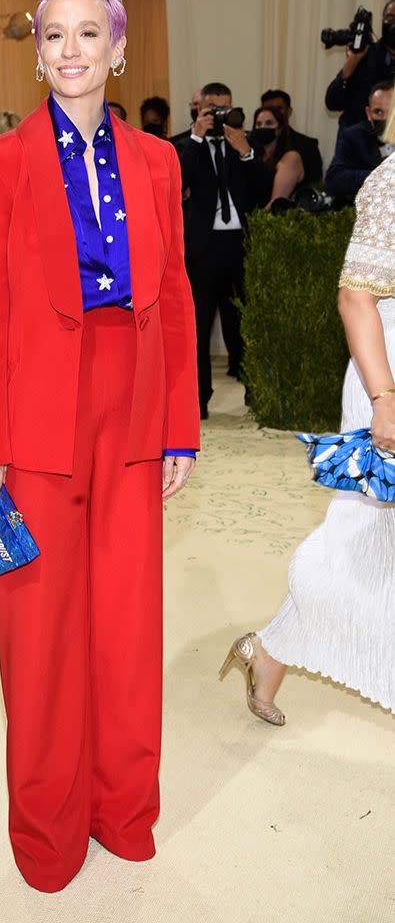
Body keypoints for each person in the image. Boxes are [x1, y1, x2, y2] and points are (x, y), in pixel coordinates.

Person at [0, 0, 199, 893]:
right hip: (34, 412)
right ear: (35, 56)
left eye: (86, 33)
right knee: (41, 630)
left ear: (118, 47)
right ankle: (48, 835)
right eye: (51, 35)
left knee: (129, 623)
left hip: (132, 402)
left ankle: (121, 810)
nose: (68, 50)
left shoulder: (160, 161)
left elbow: (175, 295)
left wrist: (179, 424)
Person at [221, 104, 395, 723]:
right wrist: (384, 399)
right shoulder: (390, 181)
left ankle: (266, 651)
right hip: (387, 374)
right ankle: (271, 648)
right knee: (359, 531)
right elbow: (355, 296)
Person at [179, 83, 268, 416]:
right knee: (198, 327)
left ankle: (257, 396)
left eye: (225, 107)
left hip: (241, 244)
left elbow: (262, 190)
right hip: (202, 247)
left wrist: (246, 152)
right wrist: (198, 137)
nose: (219, 114)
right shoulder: (184, 144)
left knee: (249, 323)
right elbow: (177, 183)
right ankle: (198, 401)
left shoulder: (244, 143)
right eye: (212, 107)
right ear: (199, 107)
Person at [325, 0, 395, 134]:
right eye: (389, 18)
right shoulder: (365, 54)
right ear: (382, 22)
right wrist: (351, 63)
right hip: (359, 144)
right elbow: (332, 102)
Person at [325, 80, 394, 201]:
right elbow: (334, 179)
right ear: (368, 113)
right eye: (378, 112)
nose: (385, 119)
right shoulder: (354, 136)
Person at [260, 88, 323, 183]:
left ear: (289, 111)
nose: (273, 114)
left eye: (278, 109)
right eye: (268, 109)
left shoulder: (307, 145)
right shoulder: (253, 144)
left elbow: (315, 184)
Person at [250, 105, 304, 208]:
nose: (263, 127)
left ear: (279, 129)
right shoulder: (253, 156)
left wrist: (254, 222)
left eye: (269, 123)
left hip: (273, 220)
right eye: (258, 124)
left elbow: (276, 203)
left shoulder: (291, 158)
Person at [168, 88, 202, 157]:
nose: (198, 108)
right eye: (195, 104)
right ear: (190, 105)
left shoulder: (220, 140)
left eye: (202, 104)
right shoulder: (174, 143)